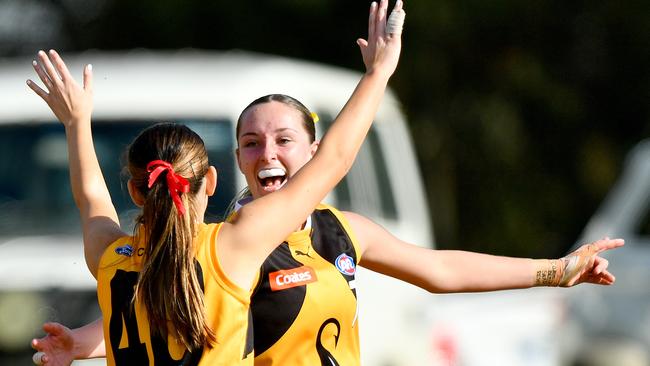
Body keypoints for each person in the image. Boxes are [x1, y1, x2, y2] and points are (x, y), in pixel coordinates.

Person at [31, 2, 625, 366]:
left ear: (309, 150)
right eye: (251, 143)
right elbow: (156, 308)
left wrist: (555, 269)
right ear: (221, 171)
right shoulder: (228, 243)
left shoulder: (337, 230)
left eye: (285, 140)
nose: (267, 153)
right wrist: (380, 76)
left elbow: (441, 271)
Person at [26, 0, 405, 364]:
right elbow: (334, 159)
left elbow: (90, 198)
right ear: (209, 182)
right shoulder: (232, 246)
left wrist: (76, 124)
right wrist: (377, 73)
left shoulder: (112, 261)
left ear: (134, 191)